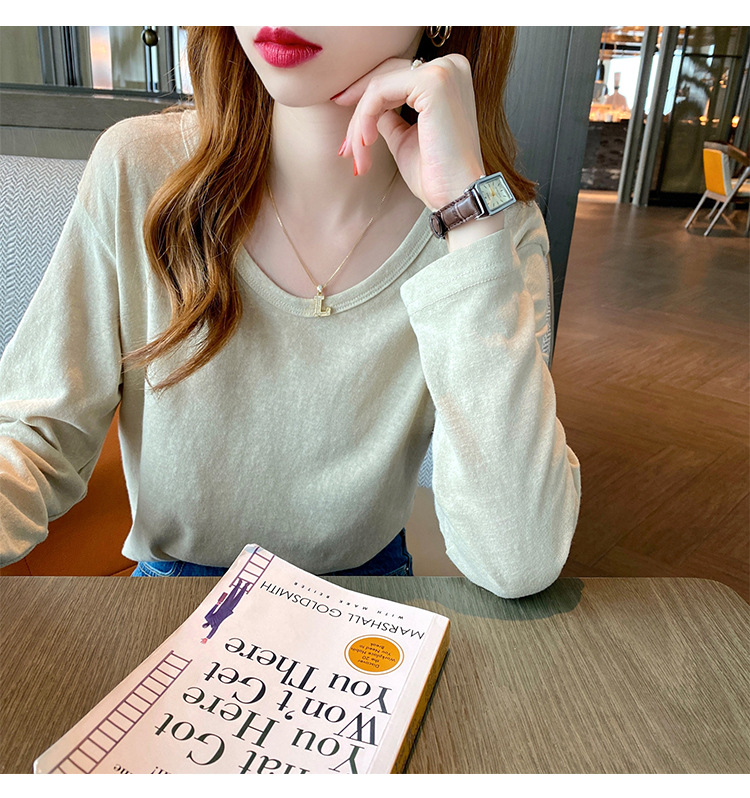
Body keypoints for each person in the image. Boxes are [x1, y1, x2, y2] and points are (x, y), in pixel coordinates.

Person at [0, 26, 581, 598]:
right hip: (172, 599)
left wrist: (467, 217)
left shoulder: (492, 232)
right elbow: (36, 435)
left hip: (368, 599)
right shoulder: (142, 169)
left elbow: (518, 558)